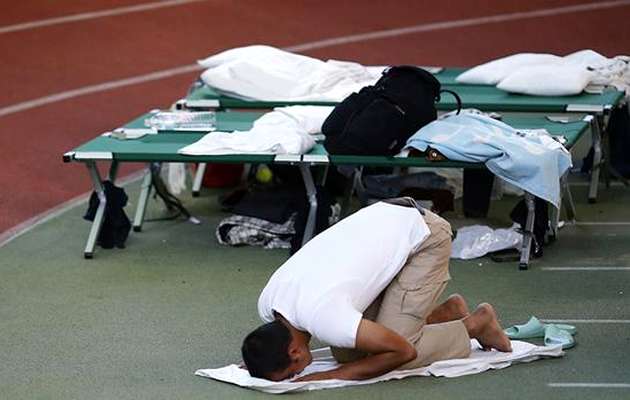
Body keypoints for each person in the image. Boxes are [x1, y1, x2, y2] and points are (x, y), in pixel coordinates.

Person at [241, 197, 512, 382]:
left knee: (398, 355)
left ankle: (477, 324)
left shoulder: (324, 317)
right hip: (386, 216)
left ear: (295, 354)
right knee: (347, 352)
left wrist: (329, 376)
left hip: (425, 235)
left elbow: (403, 351)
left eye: (292, 375)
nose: (297, 377)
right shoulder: (269, 303)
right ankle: (446, 312)